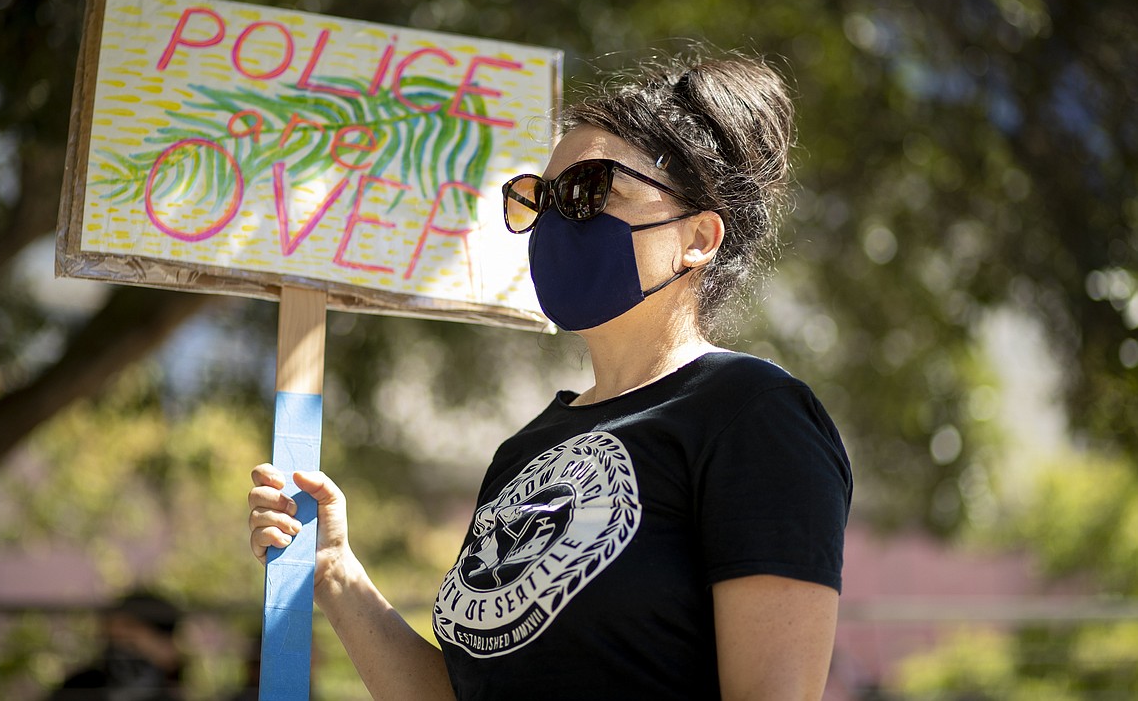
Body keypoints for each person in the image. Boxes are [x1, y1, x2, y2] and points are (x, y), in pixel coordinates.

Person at [249, 52, 853, 700]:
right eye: (542, 198)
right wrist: (335, 572)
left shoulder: (752, 416)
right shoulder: (526, 447)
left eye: (592, 191)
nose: (559, 221)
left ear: (699, 236)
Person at [45, 590, 186, 701]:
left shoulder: (172, 692)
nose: (119, 654)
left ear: (167, 648)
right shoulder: (79, 688)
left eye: (130, 643)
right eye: (111, 641)